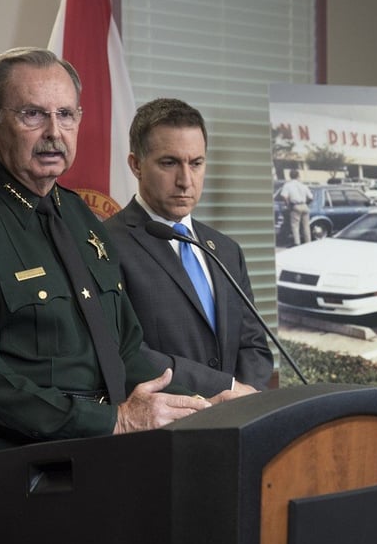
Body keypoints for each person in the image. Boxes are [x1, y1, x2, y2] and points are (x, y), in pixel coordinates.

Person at [0, 48, 219, 544]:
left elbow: (123, 349)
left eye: (66, 114)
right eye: (33, 114)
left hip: (92, 463)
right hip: (2, 471)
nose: (53, 131)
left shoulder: (80, 215)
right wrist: (110, 422)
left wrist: (217, 394)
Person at [104, 98, 273, 397]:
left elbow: (253, 343)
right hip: (162, 429)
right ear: (136, 165)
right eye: (169, 163)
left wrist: (245, 397)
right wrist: (225, 389)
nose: (185, 180)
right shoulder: (107, 245)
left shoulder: (226, 250)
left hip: (237, 424)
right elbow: (126, 351)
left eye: (196, 163)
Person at [277, 168, 313, 245]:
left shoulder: (288, 185)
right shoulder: (303, 185)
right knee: (306, 226)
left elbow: (284, 196)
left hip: (295, 206)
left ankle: (297, 243)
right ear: (298, 176)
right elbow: (311, 197)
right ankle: (308, 242)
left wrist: (288, 205)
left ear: (290, 176)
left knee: (295, 226)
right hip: (304, 205)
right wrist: (306, 203)